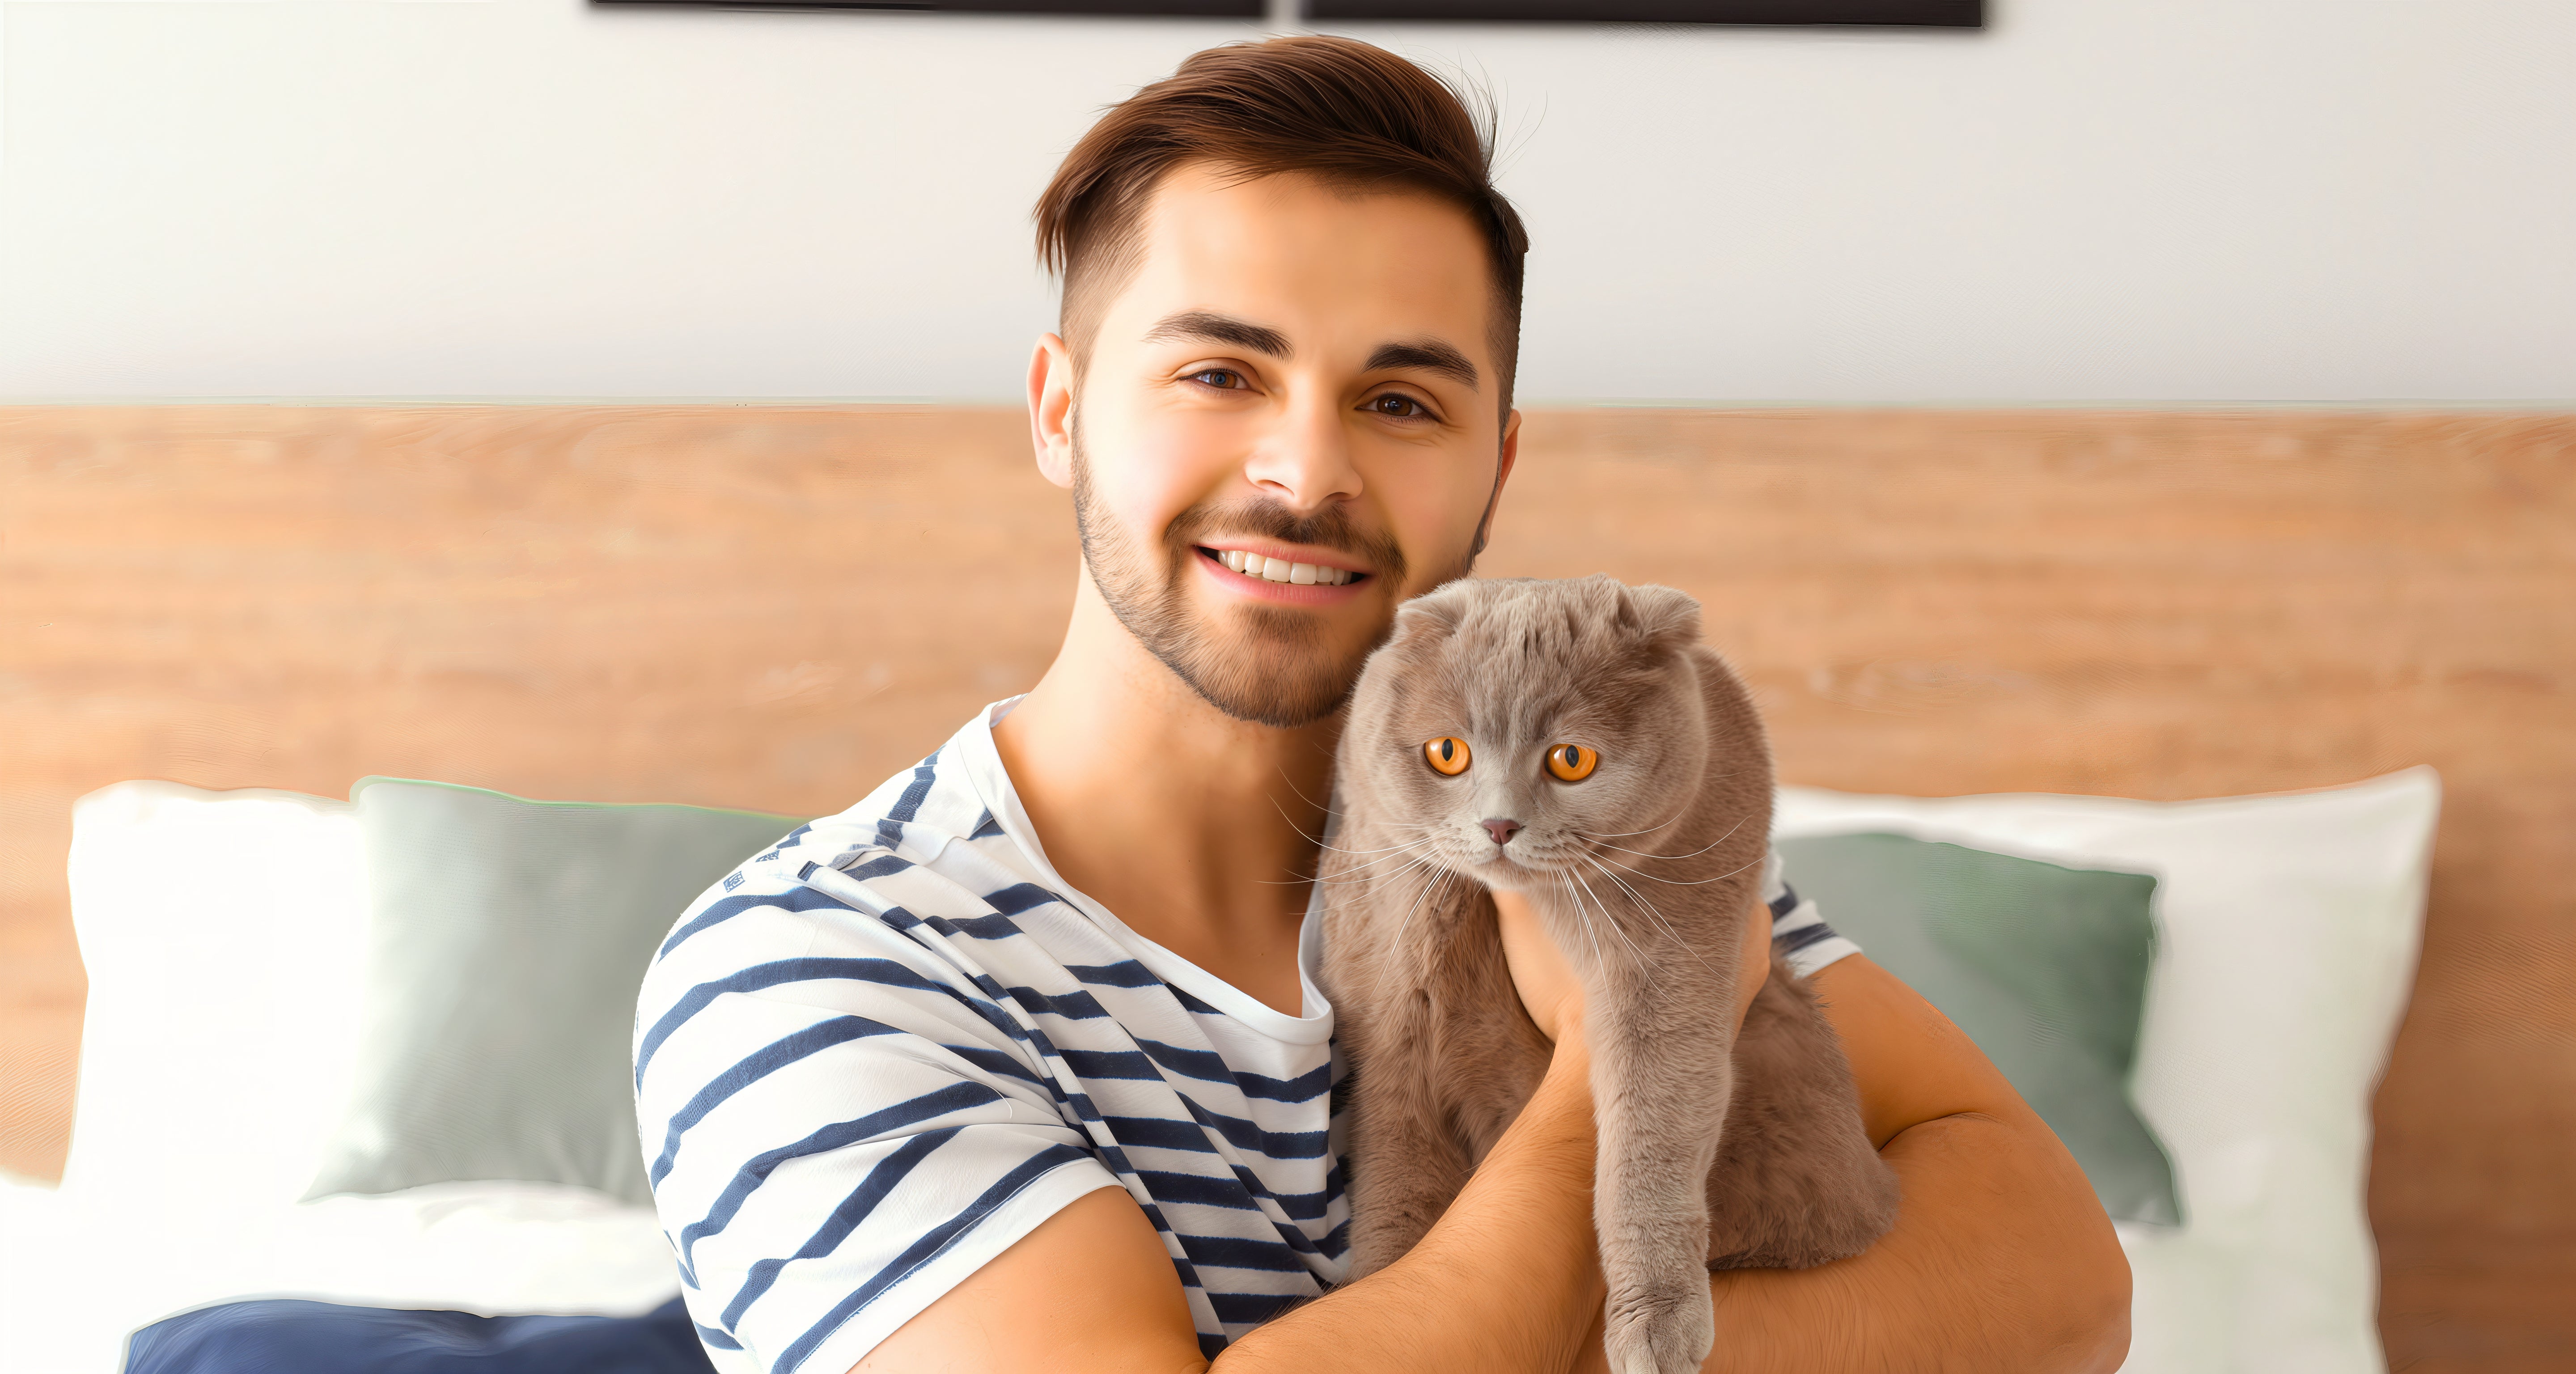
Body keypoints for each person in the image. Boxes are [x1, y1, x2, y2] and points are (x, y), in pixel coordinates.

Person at [634, 35, 2129, 1374]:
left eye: (1403, 402)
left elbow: (2067, 1288)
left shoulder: (1574, 816)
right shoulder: (815, 970)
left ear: (1500, 462)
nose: (1309, 474)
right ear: (1060, 408)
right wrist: (1614, 1072)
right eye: (1221, 371)